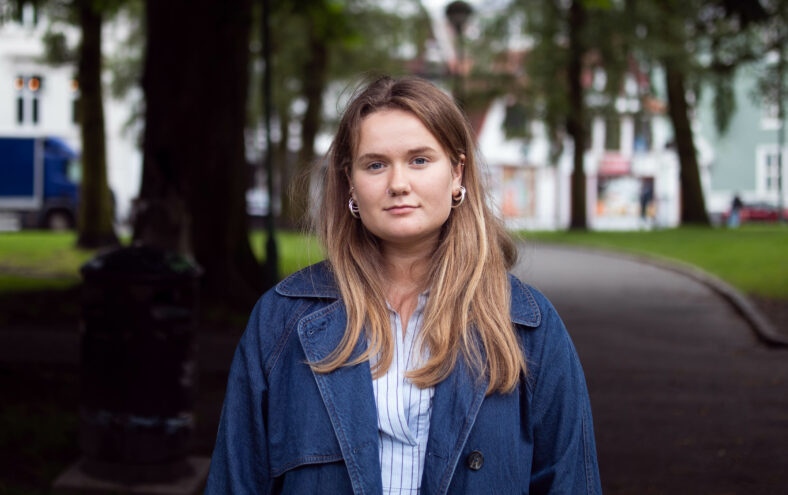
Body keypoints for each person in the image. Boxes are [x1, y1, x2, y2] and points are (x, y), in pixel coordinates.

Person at [205, 76, 602, 494]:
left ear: (457, 173)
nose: (398, 184)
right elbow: (236, 482)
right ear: (351, 182)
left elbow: (570, 482)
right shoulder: (281, 321)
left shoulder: (528, 328)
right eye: (375, 164)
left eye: (419, 160)